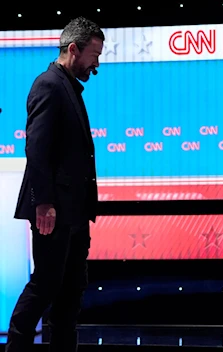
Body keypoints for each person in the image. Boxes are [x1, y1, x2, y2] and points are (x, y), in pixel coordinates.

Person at [6, 17, 104, 352]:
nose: (97, 64)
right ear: (73, 49)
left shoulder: (68, 86)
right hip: (54, 210)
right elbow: (36, 147)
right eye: (94, 55)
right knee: (46, 285)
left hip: (74, 211)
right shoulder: (48, 84)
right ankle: (16, 348)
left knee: (72, 289)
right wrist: (43, 202)